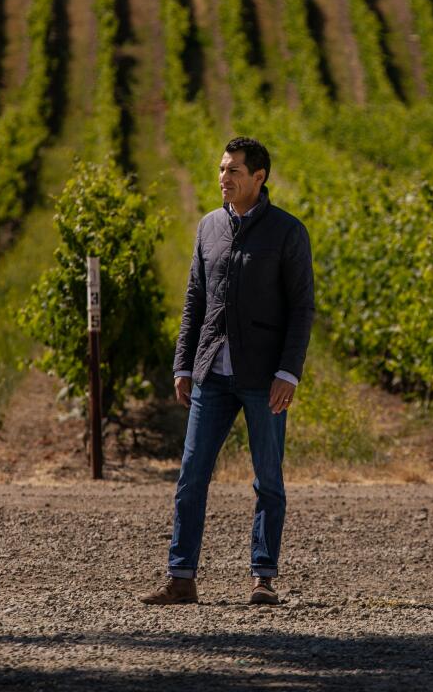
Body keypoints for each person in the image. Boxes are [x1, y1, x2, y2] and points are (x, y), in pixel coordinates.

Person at [140, 136, 315, 606]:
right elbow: (194, 300)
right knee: (192, 475)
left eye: (233, 171)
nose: (224, 178)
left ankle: (263, 577)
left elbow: (302, 309)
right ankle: (181, 577)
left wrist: (289, 372)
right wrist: (183, 363)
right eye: (221, 169)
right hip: (211, 374)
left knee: (268, 480)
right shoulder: (208, 227)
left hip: (265, 378)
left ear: (259, 178)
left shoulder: (287, 232)